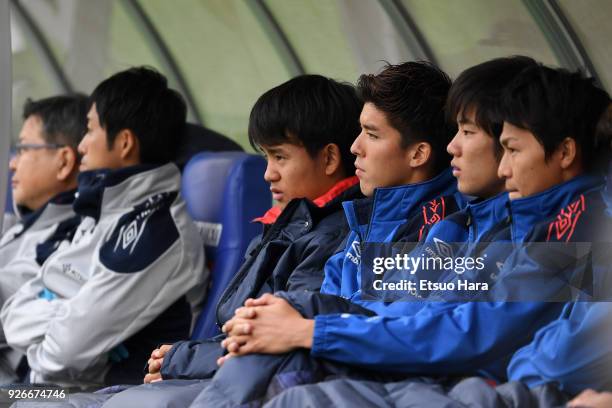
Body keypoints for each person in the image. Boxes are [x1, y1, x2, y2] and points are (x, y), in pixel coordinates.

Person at [262, 63, 612, 408]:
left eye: (512, 149)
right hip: (455, 379)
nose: (452, 146)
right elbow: (419, 309)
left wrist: (318, 332)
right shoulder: (461, 225)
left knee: (296, 389)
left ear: (565, 152)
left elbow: (479, 333)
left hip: (480, 386)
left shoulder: (569, 229)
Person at [179, 60, 463, 407]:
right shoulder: (364, 225)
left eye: (372, 135)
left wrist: (299, 333)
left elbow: (421, 333)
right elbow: (330, 307)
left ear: (418, 153)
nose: (355, 146)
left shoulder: (449, 230)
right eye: (359, 131)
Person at [0, 67, 207, 387]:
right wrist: (57, 316)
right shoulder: (103, 212)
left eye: (90, 130)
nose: (81, 145)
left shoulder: (153, 231)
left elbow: (63, 352)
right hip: (42, 386)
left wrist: (48, 323)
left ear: (124, 143)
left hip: (82, 394)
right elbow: (16, 310)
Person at [0, 94, 88, 382]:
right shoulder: (29, 223)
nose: (13, 163)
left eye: (24, 149)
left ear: (64, 161)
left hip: (20, 387)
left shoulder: (68, 235)